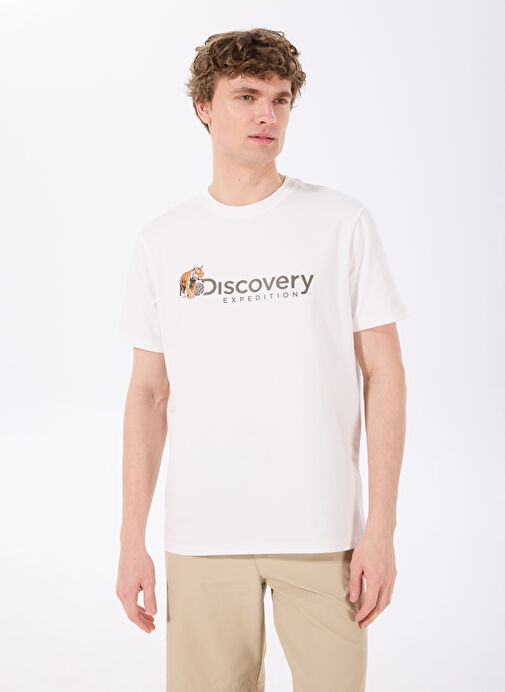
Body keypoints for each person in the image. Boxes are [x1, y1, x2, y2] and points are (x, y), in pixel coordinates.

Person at [116, 27, 408, 692]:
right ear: (204, 107)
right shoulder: (164, 241)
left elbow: (384, 375)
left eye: (279, 99)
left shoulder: (341, 222)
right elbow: (147, 395)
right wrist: (132, 539)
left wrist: (381, 529)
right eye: (246, 96)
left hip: (323, 531)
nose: (266, 115)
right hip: (202, 535)